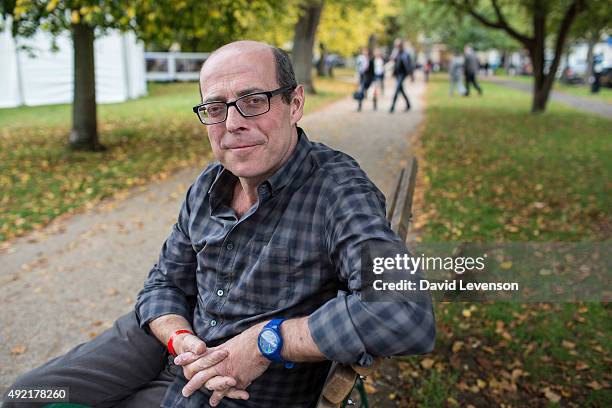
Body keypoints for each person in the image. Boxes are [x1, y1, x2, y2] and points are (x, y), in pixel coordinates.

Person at [4, 41, 435, 408]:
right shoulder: (208, 185)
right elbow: (161, 285)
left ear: (295, 103)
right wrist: (178, 339)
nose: (232, 124)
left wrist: (270, 341)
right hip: (170, 348)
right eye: (215, 108)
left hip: (233, 390)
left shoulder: (338, 191)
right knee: (28, 395)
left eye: (253, 100)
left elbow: (403, 310)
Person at [389, 38, 413, 113]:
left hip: (402, 74)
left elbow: (409, 65)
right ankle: (408, 104)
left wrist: (411, 75)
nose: (397, 46)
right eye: (396, 45)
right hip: (397, 74)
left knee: (397, 89)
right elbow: (393, 63)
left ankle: (392, 106)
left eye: (398, 44)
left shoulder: (406, 54)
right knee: (401, 89)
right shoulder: (396, 53)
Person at [355, 47, 375, 111]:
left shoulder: (371, 60)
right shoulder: (361, 60)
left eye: (366, 51)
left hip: (369, 79)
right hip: (363, 79)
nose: (365, 53)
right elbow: (358, 69)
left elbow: (373, 71)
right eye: (364, 51)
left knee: (372, 93)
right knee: (361, 91)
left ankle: (375, 103)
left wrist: (373, 80)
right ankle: (359, 106)